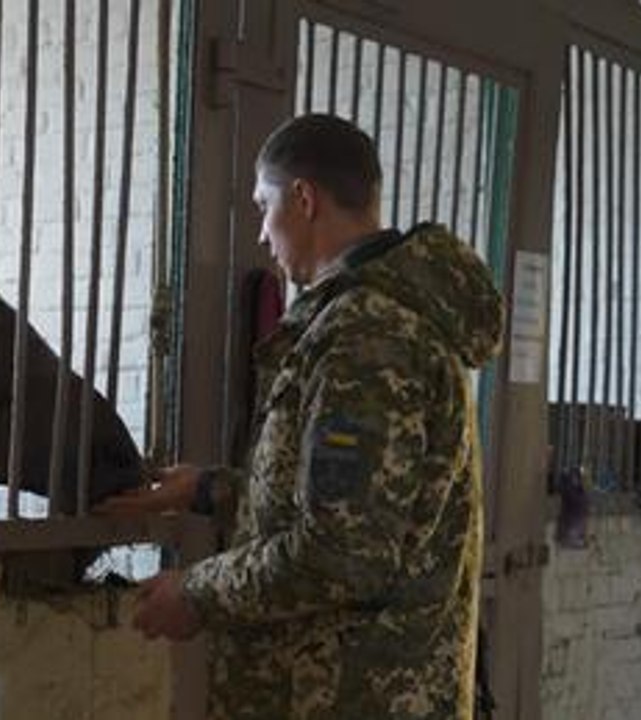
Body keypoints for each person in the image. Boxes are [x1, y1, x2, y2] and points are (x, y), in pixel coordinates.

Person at [96, 113, 504, 718]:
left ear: (304, 198)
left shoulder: (365, 337)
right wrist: (209, 489)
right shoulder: (379, 320)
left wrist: (198, 591)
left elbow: (341, 554)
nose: (262, 233)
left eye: (265, 206)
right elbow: (352, 504)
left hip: (345, 696)